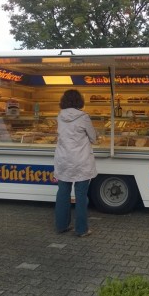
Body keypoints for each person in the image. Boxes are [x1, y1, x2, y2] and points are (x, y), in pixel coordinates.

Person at [53, 89, 98, 237]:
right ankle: (81, 229)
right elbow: (93, 137)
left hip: (63, 160)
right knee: (81, 196)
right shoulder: (84, 117)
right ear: (79, 100)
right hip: (81, 161)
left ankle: (61, 226)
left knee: (62, 194)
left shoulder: (60, 116)